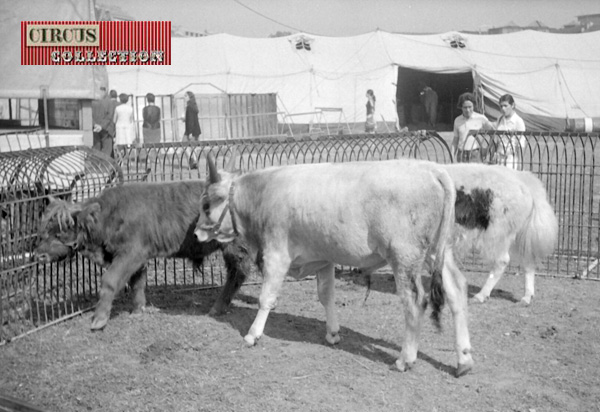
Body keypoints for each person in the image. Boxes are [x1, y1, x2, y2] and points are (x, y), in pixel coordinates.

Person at [452, 92, 495, 163]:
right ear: (461, 107)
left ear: (474, 106)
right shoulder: (457, 120)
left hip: (475, 154)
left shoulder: (481, 119)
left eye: (470, 107)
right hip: (461, 154)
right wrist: (452, 155)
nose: (467, 110)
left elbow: (493, 133)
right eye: (465, 107)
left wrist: (487, 149)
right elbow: (455, 140)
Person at [492, 94, 526, 169]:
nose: (503, 109)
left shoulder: (518, 121)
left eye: (505, 106)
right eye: (501, 106)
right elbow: (496, 139)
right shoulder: (500, 119)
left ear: (512, 105)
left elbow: (521, 143)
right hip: (499, 156)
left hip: (511, 158)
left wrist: (520, 164)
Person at [91, 87, 116, 158]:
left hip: (95, 128)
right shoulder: (109, 102)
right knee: (107, 150)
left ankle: (96, 166)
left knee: (96, 148)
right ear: (106, 91)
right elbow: (110, 116)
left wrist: (94, 124)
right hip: (106, 129)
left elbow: (89, 114)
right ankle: (105, 166)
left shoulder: (92, 101)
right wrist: (101, 126)